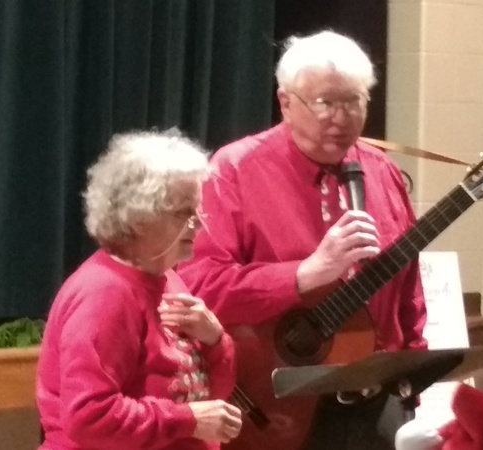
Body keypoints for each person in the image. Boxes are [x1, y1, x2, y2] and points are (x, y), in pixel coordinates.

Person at [176, 30, 427, 449]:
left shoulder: (381, 172)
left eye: (354, 101)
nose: (342, 117)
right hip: (275, 405)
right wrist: (305, 274)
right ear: (286, 103)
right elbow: (199, 287)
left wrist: (414, 375)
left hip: (377, 397)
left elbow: (408, 290)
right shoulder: (234, 169)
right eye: (326, 103)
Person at [36, 130, 242, 450]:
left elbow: (212, 394)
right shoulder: (104, 294)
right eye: (183, 213)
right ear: (137, 219)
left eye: (197, 210)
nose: (198, 223)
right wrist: (187, 420)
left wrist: (215, 340)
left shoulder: (165, 277)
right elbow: (89, 417)